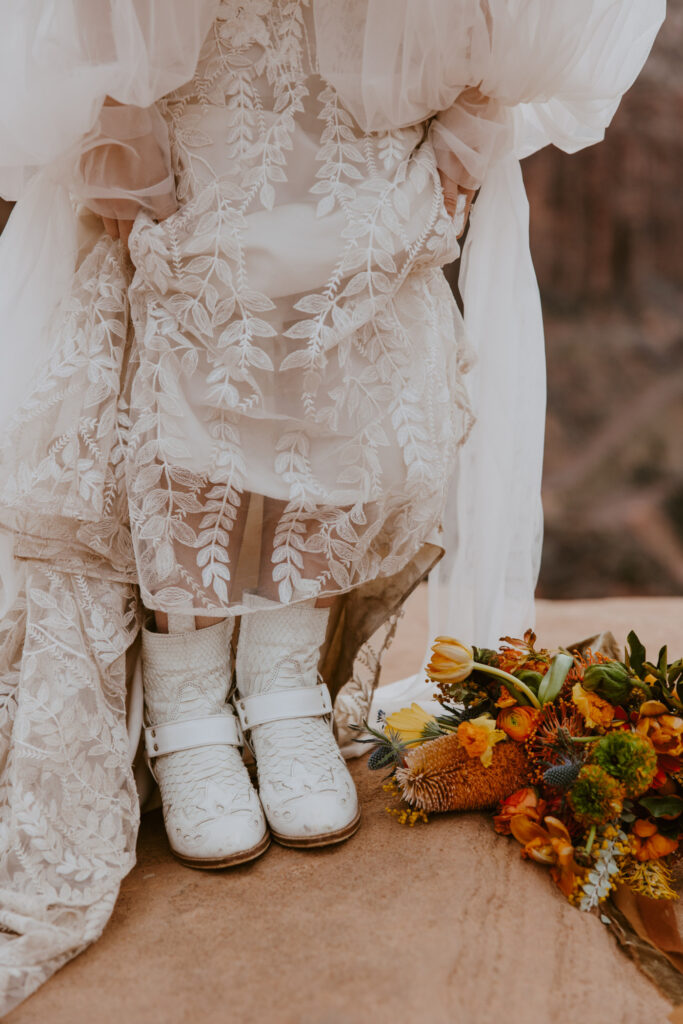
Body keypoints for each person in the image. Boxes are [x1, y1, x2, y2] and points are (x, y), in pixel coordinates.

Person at [0, 0, 664, 1011]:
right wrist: (113, 98)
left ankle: (282, 687)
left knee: (342, 377)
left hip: (380, 56)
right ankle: (189, 706)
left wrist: (481, 98)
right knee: (195, 357)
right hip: (201, 53)